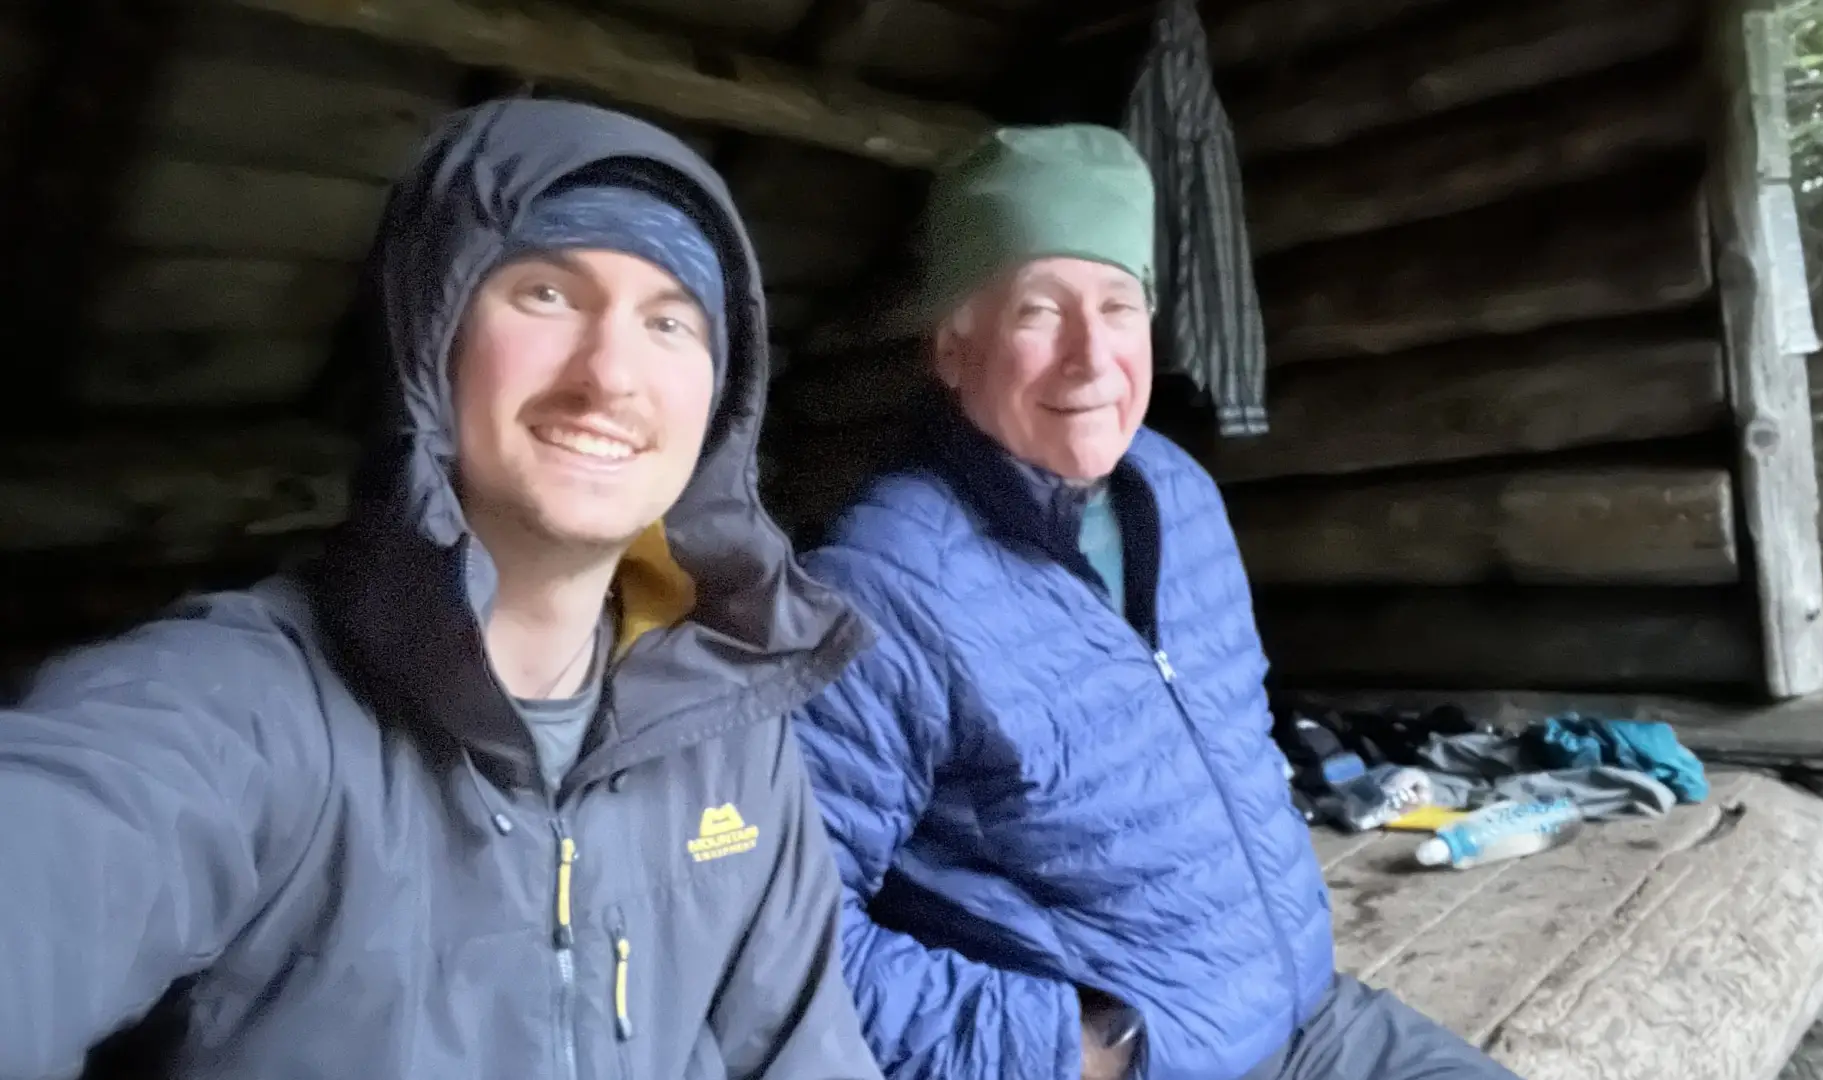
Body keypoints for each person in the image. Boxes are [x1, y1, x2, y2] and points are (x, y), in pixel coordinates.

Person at [0, 97, 880, 1080]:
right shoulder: (238, 712)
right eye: (548, 293)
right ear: (431, 340)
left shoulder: (733, 744)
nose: (611, 376)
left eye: (671, 321)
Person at [791, 125, 1523, 1080]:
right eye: (1039, 312)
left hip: (1315, 1019)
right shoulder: (884, 584)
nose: (1090, 357)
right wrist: (1064, 1051)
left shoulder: (1174, 492)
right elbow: (782, 927)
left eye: (1118, 305)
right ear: (954, 346)